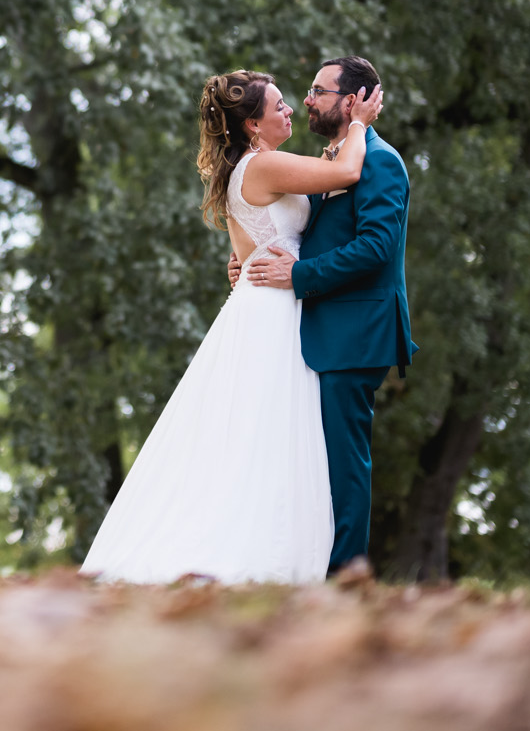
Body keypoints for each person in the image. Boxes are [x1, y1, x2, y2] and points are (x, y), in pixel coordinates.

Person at [80, 68, 383, 583]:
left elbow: (254, 233)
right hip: (272, 314)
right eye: (279, 106)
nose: (290, 110)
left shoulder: (250, 167)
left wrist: (242, 258)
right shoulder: (264, 166)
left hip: (270, 302)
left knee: (258, 434)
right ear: (253, 126)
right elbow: (349, 173)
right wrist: (359, 122)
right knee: (267, 435)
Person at [240, 55, 416, 576]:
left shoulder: (380, 161)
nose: (308, 100)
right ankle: (312, 570)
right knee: (314, 463)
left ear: (354, 100)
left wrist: (297, 276)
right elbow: (305, 233)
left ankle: (346, 579)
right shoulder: (333, 158)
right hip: (321, 329)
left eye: (319, 90)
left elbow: (376, 247)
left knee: (345, 466)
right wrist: (252, 260)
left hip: (355, 331)